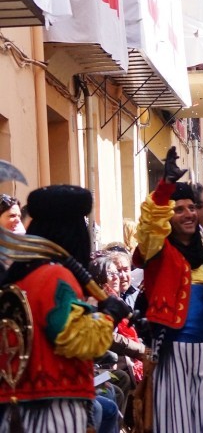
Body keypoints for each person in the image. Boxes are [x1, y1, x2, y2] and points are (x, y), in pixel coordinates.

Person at [132, 149, 203, 433]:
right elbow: (148, 227)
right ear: (168, 216)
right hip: (171, 354)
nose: (188, 214)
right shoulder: (157, 251)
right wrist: (163, 189)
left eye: (191, 208)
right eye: (179, 209)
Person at [0, 185, 127, 432]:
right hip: (53, 410)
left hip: (19, 409)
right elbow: (77, 339)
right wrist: (109, 315)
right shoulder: (55, 276)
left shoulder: (20, 275)